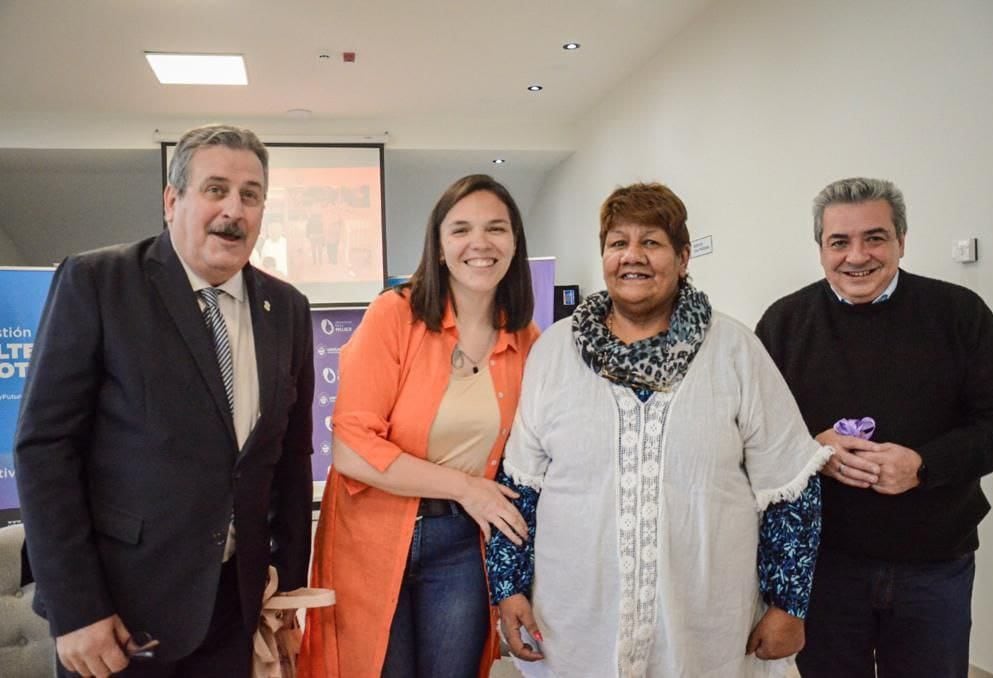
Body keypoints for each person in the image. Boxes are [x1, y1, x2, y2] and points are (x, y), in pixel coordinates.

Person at [487, 182, 831, 677]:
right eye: (618, 243)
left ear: (683, 256)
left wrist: (789, 604)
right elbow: (520, 488)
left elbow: (790, 489)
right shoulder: (553, 353)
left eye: (651, 242)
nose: (633, 257)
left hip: (705, 627)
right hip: (579, 623)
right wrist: (510, 588)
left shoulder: (735, 351)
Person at [14, 124, 315, 677]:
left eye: (251, 195)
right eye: (216, 189)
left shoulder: (288, 308)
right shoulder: (98, 283)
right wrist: (77, 609)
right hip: (119, 616)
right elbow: (44, 449)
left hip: (235, 609)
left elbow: (290, 459)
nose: (235, 210)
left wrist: (289, 587)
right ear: (172, 200)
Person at [755, 177, 993, 677]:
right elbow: (753, 439)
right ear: (820, 249)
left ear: (902, 240)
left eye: (874, 237)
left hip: (934, 564)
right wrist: (811, 450)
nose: (857, 256)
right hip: (825, 565)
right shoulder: (783, 324)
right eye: (839, 241)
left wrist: (924, 465)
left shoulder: (959, 314)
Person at [299, 174, 540, 678]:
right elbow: (351, 450)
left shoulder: (527, 339)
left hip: (462, 542)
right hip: (371, 535)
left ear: (515, 243)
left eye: (496, 229)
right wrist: (468, 489)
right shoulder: (396, 315)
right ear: (439, 245)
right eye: (461, 230)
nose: (480, 243)